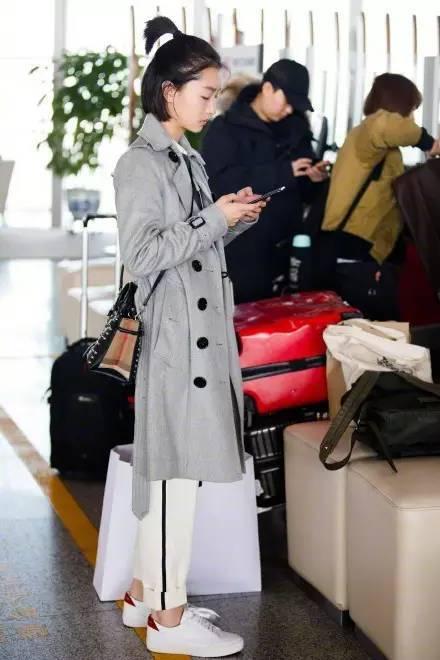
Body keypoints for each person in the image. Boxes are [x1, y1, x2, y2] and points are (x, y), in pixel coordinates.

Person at [113, 15, 267, 658]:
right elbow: (145, 255)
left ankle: (142, 595)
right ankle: (169, 620)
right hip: (176, 340)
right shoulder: (140, 163)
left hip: (195, 336)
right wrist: (213, 218)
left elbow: (194, 244)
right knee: (173, 477)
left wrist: (232, 217)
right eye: (205, 93)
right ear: (170, 91)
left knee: (174, 475)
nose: (212, 106)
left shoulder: (185, 157)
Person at [202, 59, 329, 303]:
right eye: (287, 101)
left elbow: (305, 191)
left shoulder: (297, 129)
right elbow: (219, 182)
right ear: (268, 88)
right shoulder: (226, 129)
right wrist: (283, 172)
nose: (290, 110)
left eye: (296, 105)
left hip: (289, 252)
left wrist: (314, 178)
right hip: (244, 253)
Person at [319, 73, 440, 320]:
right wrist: (429, 142)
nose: (412, 119)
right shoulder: (369, 132)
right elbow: (387, 126)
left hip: (364, 248)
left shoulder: (378, 143)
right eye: (411, 110)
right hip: (356, 247)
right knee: (370, 328)